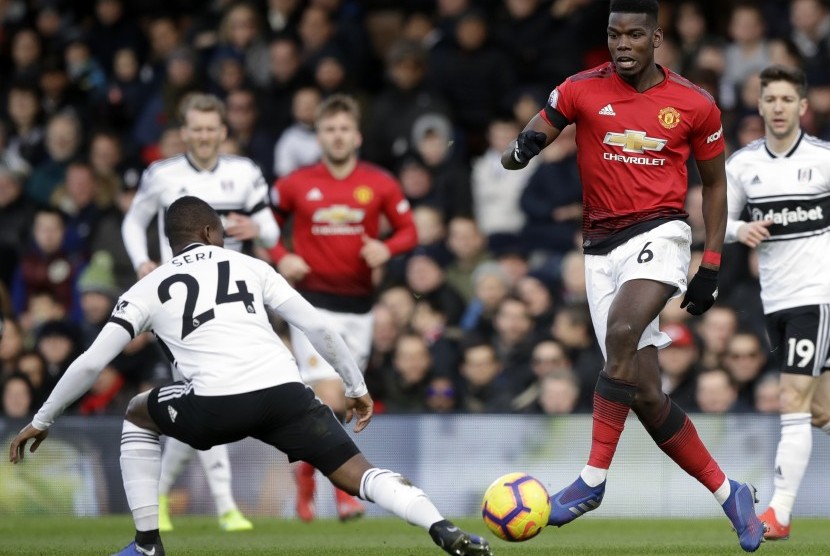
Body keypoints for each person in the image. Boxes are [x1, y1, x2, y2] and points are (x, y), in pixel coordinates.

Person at [8, 196, 491, 556]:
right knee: (357, 474)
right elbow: (318, 324)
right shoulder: (251, 266)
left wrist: (45, 418)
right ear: (211, 232)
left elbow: (92, 361)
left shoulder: (147, 287)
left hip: (214, 405)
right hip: (285, 393)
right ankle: (442, 527)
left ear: (171, 242)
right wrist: (356, 388)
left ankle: (147, 544)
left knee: (139, 413)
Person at [501, 0, 763, 551]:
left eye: (635, 36)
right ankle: (729, 491)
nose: (623, 44)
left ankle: (592, 480)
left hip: (661, 233)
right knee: (643, 392)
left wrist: (710, 263)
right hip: (599, 248)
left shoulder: (694, 103)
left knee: (621, 334)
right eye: (615, 35)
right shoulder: (581, 87)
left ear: (656, 39)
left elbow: (714, 185)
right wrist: (524, 146)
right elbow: (545, 122)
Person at [121, 93, 280, 532]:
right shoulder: (162, 175)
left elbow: (270, 225)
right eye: (197, 128)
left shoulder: (244, 172)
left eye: (212, 128)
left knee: (204, 400)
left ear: (223, 131)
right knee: (206, 394)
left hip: (236, 305)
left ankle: (162, 498)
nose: (205, 135)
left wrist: (256, 227)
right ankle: (227, 507)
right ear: (184, 131)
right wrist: (141, 263)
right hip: (181, 307)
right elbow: (133, 221)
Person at [268, 93, 417, 521]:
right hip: (312, 306)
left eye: (343, 129)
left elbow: (408, 230)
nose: (336, 136)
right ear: (319, 136)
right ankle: (345, 492)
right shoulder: (296, 183)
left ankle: (307, 481)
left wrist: (386, 249)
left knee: (350, 400)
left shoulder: (381, 182)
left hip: (360, 308)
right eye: (328, 129)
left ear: (357, 136)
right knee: (330, 397)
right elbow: (265, 221)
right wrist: (282, 255)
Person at [724, 64, 830, 541]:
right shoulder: (744, 165)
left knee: (792, 398)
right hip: (776, 302)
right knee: (822, 410)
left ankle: (778, 513)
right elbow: (714, 220)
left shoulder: (825, 160)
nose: (780, 107)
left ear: (803, 107)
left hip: (818, 296)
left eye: (789, 99)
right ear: (761, 105)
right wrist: (738, 229)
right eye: (772, 100)